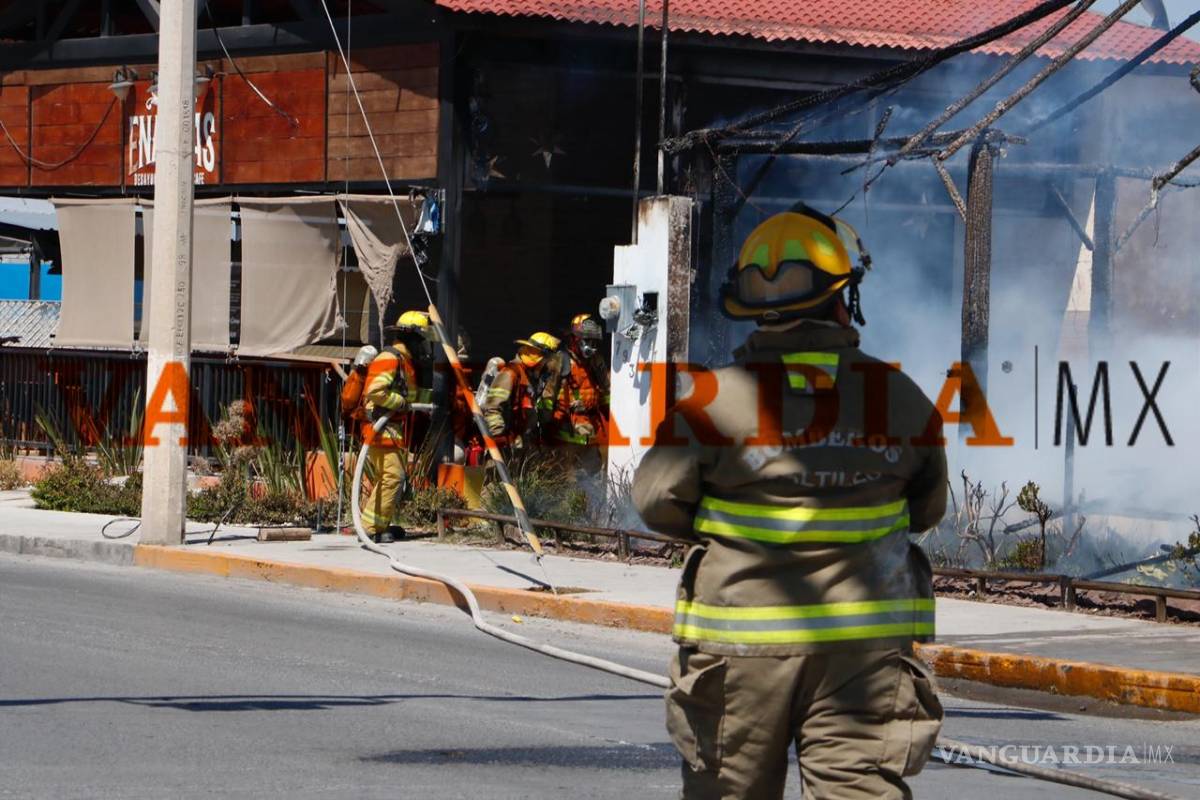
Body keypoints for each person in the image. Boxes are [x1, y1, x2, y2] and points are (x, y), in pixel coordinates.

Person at [633, 204, 947, 799]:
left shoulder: (711, 403)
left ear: (748, 305)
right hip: (864, 656)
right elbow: (926, 510)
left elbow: (656, 501)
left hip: (738, 655)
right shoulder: (901, 398)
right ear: (842, 298)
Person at [359, 310, 434, 543]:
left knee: (391, 477)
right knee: (392, 476)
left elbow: (409, 394)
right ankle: (370, 529)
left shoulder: (404, 362)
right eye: (422, 341)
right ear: (411, 338)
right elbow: (375, 392)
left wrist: (435, 400)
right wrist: (400, 403)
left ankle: (378, 526)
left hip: (391, 429)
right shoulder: (390, 358)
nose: (424, 347)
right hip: (381, 429)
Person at [480, 331, 560, 448]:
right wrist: (499, 438)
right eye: (548, 361)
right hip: (505, 445)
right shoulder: (510, 373)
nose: (549, 366)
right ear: (539, 358)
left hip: (521, 443)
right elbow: (492, 407)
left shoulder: (531, 377)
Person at [541, 313, 610, 448]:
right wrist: (545, 426)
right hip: (566, 430)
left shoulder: (596, 362)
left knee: (593, 468)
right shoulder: (561, 360)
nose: (592, 346)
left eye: (594, 341)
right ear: (574, 339)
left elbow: (605, 393)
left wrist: (610, 414)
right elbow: (547, 397)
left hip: (590, 429)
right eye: (587, 340)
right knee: (567, 468)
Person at [340, 344, 378, 444]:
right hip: (370, 427)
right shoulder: (360, 378)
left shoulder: (358, 377)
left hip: (369, 428)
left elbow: (349, 399)